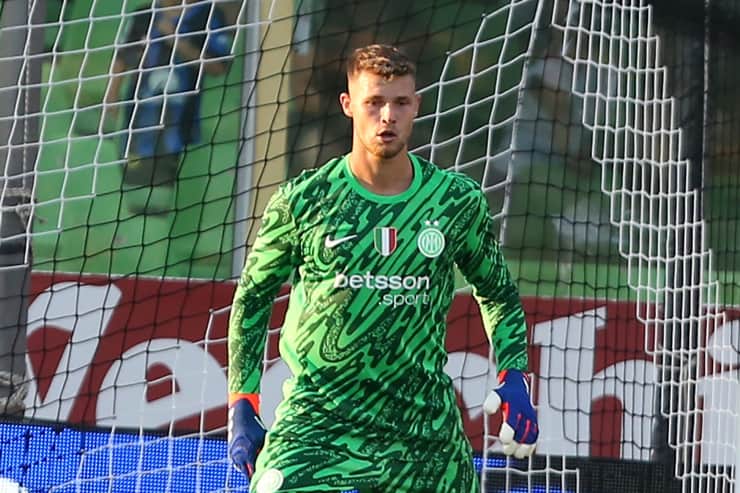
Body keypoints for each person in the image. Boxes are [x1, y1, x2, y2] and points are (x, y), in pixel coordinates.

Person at [227, 44, 539, 493]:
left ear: (416, 106)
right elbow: (253, 297)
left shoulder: (455, 201)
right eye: (374, 102)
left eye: (400, 102)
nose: (387, 115)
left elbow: (498, 293)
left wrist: (513, 373)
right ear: (348, 105)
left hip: (422, 431)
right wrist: (243, 401)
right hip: (319, 422)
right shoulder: (304, 200)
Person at [105, 0, 231, 215]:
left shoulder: (209, 16)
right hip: (139, 123)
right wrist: (112, 93)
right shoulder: (144, 14)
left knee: (169, 195)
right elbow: (123, 56)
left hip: (181, 125)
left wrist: (176, 40)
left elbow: (218, 66)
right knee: (135, 188)